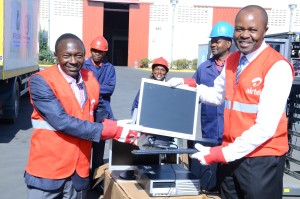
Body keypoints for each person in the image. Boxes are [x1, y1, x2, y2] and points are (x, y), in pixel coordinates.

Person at [168, 5, 294, 199]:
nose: (244, 35)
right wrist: (189, 86)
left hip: (261, 159)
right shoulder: (233, 60)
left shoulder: (276, 67)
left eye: (252, 30)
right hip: (232, 154)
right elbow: (216, 96)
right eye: (240, 29)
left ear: (265, 31)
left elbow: (265, 128)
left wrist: (220, 154)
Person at [24, 33, 141, 199]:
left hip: (79, 173)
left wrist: (129, 128)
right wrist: (114, 131)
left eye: (78, 55)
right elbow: (61, 121)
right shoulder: (41, 81)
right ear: (56, 56)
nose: (73, 61)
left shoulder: (90, 79)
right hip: (48, 172)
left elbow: (99, 113)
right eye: (67, 55)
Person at [187, 21, 234, 192]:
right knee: (211, 173)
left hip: (232, 131)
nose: (213, 44)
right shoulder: (203, 68)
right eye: (212, 40)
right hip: (210, 128)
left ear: (229, 43)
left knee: (229, 174)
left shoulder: (238, 67)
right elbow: (192, 95)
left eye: (218, 40)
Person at [82, 35, 116, 186]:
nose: (97, 53)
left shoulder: (109, 68)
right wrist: (96, 89)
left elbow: (110, 89)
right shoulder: (83, 66)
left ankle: (95, 182)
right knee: (84, 146)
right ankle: (82, 179)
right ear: (91, 50)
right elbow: (79, 86)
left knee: (99, 148)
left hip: (102, 112)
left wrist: (91, 88)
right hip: (86, 110)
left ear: (104, 53)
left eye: (100, 51)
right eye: (95, 50)